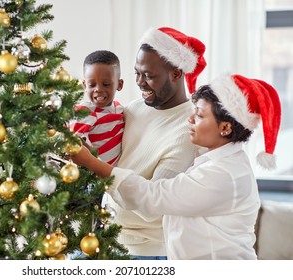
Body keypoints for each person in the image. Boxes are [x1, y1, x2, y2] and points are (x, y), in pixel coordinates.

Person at [71, 73, 282, 259]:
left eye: (199, 115)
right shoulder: (216, 161)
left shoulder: (223, 174)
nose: (189, 119)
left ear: (225, 127)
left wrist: (90, 161)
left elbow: (153, 197)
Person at [100, 27, 207, 260]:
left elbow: (153, 207)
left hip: (145, 251)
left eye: (148, 75)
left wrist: (93, 166)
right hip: (105, 236)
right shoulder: (135, 108)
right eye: (136, 73)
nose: (139, 83)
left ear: (177, 74)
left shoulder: (188, 130)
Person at [69, 50, 124, 165]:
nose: (98, 89)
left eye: (106, 84)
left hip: (114, 174)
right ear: (84, 85)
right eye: (92, 85)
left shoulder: (120, 109)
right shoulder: (84, 112)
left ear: (119, 85)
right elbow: (73, 144)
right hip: (90, 174)